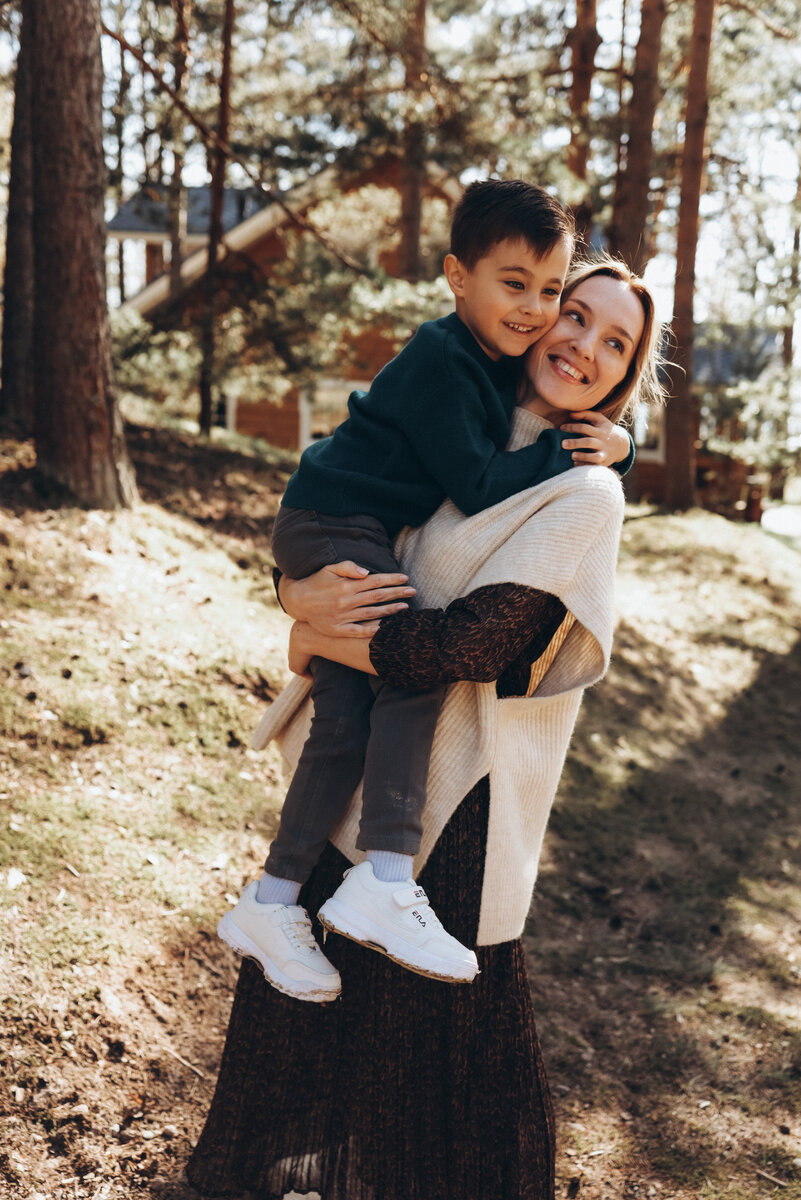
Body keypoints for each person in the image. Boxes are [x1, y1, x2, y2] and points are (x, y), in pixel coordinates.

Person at [186, 256, 666, 1200]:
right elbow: (346, 515)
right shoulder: (464, 408)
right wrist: (296, 597)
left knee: (426, 1075)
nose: (582, 345)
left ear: (622, 381)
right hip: (361, 770)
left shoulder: (583, 492)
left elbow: (468, 646)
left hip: (456, 807)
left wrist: (313, 635)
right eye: (575, 316)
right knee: (308, 1029)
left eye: (616, 344)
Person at [217, 181, 636, 1001]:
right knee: (391, 691)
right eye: (555, 305)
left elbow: (466, 646)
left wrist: (614, 449)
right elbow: (482, 483)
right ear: (457, 276)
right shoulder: (453, 361)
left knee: (352, 713)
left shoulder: (536, 427)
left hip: (344, 535)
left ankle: (274, 900)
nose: (548, 319)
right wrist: (297, 605)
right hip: (337, 527)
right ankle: (377, 877)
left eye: (549, 292)